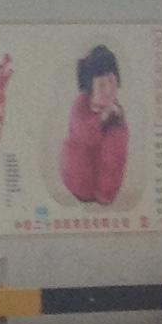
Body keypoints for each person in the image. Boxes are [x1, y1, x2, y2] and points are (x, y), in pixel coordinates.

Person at [60, 44, 129, 207]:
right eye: (101, 85)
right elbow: (85, 136)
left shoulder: (116, 115)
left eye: (112, 81)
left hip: (103, 190)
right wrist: (102, 119)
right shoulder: (80, 108)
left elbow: (114, 161)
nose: (109, 90)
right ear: (90, 89)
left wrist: (115, 121)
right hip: (79, 182)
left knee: (114, 149)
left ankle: (105, 194)